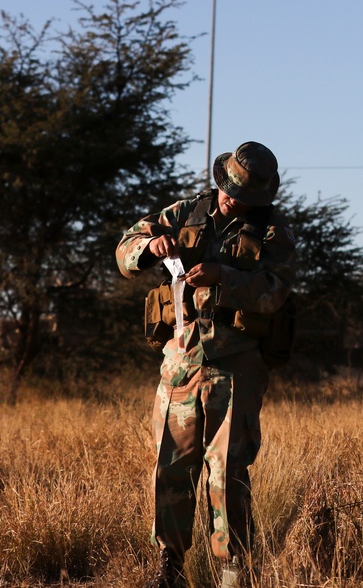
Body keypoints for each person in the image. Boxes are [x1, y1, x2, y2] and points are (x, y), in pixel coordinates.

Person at [116, 141, 296, 587]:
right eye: (233, 189)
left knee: (227, 470)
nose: (236, 199)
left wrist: (225, 278)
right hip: (180, 363)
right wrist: (148, 245)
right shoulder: (182, 213)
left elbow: (276, 292)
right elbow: (124, 250)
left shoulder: (272, 232)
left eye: (247, 195)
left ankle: (234, 569)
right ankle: (169, 566)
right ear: (222, 181)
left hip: (236, 366)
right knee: (171, 465)